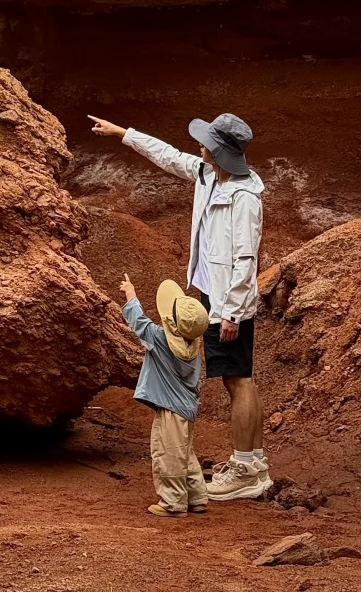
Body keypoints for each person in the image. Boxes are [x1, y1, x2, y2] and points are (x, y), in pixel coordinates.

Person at [91, 111, 270, 500]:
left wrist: (232, 313)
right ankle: (254, 462)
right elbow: (169, 157)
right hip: (214, 292)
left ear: (218, 151)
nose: (199, 146)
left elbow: (246, 260)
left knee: (237, 379)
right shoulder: (209, 175)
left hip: (227, 301)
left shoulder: (243, 198)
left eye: (206, 142)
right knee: (240, 375)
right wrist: (123, 132)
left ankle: (246, 470)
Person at [120, 273, 210, 517]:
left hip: (170, 410)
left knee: (168, 454)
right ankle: (197, 497)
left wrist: (130, 292)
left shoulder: (160, 339)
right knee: (185, 453)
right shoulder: (193, 347)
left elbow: (139, 322)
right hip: (187, 410)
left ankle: (173, 502)